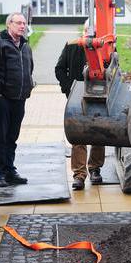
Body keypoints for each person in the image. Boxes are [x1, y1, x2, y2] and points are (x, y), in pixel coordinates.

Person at [55, 21, 105, 190]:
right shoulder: (71, 46)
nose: (90, 36)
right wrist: (69, 88)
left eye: (95, 32)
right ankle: (79, 174)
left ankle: (95, 168)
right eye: (88, 31)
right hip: (76, 97)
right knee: (78, 134)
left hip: (100, 96)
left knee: (99, 132)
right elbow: (59, 69)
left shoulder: (106, 47)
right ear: (83, 32)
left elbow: (114, 69)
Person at [0, 12, 34, 188]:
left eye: (24, 23)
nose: (22, 26)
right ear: (9, 25)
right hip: (1, 99)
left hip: (19, 98)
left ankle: (9, 170)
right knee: (0, 136)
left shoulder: (25, 46)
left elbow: (30, 69)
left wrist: (28, 87)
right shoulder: (0, 44)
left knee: (12, 136)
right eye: (18, 23)